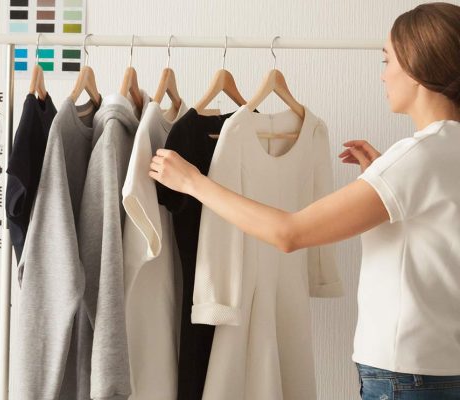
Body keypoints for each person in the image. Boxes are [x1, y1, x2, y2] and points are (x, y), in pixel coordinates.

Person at [149, 3, 460, 399]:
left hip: (406, 374)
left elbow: (289, 233)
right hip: (443, 366)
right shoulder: (441, 152)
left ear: (417, 67)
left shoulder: (415, 158)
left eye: (387, 61)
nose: (383, 74)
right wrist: (384, 176)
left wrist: (194, 182)